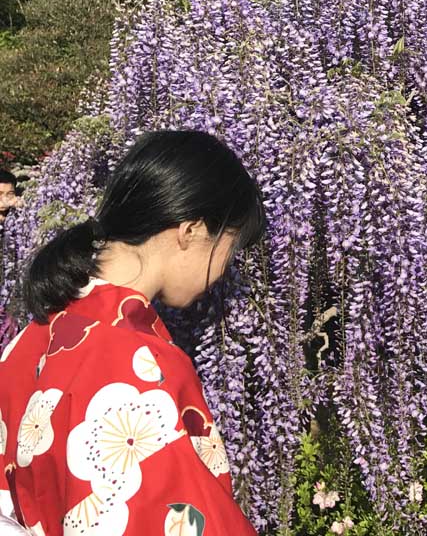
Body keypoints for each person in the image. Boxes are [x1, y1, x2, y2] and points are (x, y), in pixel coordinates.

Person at [0, 131, 266, 536]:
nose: (224, 272)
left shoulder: (32, 339)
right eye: (231, 248)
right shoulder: (138, 363)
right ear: (191, 231)